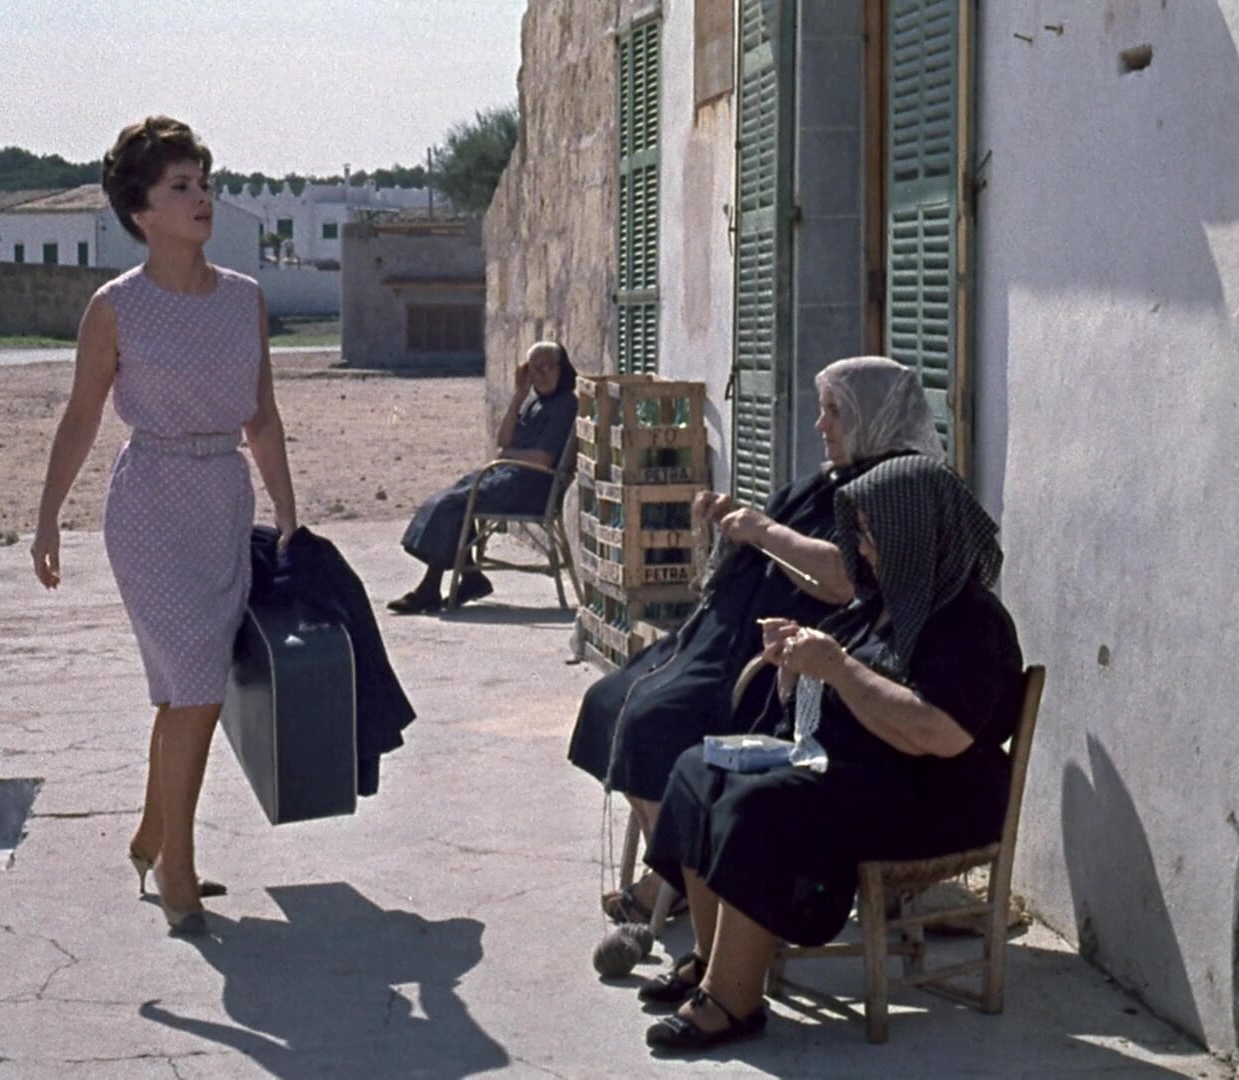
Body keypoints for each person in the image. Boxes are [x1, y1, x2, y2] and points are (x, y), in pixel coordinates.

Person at [634, 454, 1024, 1051]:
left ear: (915, 532)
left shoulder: (968, 621)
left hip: (931, 798)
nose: (862, 548)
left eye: (873, 533)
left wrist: (837, 667)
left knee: (761, 805)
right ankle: (713, 961)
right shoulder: (879, 603)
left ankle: (733, 1000)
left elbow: (939, 734)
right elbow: (837, 685)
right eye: (860, 532)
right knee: (697, 769)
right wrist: (797, 662)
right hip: (861, 775)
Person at [29, 116, 297, 936]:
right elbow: (81, 416)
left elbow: (263, 416)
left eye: (203, 183)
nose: (201, 198)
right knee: (196, 685)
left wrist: (287, 509)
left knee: (192, 692)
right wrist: (47, 518)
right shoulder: (116, 308)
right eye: (180, 186)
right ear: (141, 211)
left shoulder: (245, 299)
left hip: (223, 502)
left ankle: (152, 836)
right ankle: (176, 865)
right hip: (148, 506)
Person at [566, 356, 943, 924]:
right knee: (607, 700)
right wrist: (730, 518)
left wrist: (762, 531)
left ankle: (678, 878)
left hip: (768, 659)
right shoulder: (822, 485)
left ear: (871, 416)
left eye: (834, 412)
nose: (820, 425)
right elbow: (769, 534)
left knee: (651, 720)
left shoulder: (891, 494)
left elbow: (845, 579)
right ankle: (675, 864)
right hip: (718, 636)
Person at [387, 341, 579, 614]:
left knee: (453, 504)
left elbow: (542, 460)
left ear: (562, 368)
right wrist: (519, 395)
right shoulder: (534, 403)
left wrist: (509, 454)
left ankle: (431, 588)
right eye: (535, 369)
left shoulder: (564, 405)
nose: (542, 374)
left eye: (548, 367)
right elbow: (503, 439)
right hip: (509, 477)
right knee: (451, 497)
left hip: (533, 487)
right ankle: (470, 578)